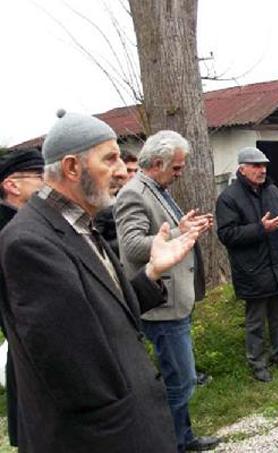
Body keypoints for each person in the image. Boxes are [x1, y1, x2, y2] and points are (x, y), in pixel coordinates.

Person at [0, 110, 200, 452]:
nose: (123, 171)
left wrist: (152, 271)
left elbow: (108, 311)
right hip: (103, 435)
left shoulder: (80, 223)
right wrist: (128, 415)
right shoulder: (29, 242)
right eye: (110, 159)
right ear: (72, 167)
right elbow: (71, 364)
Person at [115, 130, 218, 452]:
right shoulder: (134, 193)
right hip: (161, 304)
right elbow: (131, 247)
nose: (180, 172)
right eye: (175, 167)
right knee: (180, 381)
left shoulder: (155, 189)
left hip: (174, 300)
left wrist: (183, 229)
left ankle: (183, 438)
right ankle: (171, 442)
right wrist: (179, 232)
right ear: (157, 162)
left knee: (180, 379)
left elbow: (166, 234)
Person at [215, 147, 278, 382]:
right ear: (242, 169)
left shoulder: (272, 190)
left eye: (264, 165)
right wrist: (260, 229)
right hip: (252, 269)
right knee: (255, 322)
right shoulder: (229, 198)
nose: (262, 170)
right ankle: (257, 362)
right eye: (256, 166)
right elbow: (227, 235)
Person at [0, 148, 44, 447]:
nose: (47, 183)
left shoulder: (28, 223)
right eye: (39, 176)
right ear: (12, 185)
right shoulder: (11, 235)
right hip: (34, 354)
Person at [94, 150, 138, 255]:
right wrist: (128, 243)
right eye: (129, 170)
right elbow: (96, 245)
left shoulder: (135, 196)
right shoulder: (103, 201)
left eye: (136, 171)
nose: (133, 175)